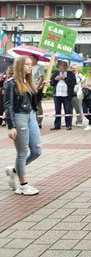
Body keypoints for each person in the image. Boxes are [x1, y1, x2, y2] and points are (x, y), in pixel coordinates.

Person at [4, 57, 42, 195]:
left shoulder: (28, 82)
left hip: (31, 116)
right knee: (22, 152)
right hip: (19, 117)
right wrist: (11, 126)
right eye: (27, 64)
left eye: (31, 65)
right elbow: (8, 105)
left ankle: (14, 170)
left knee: (37, 150)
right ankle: (23, 185)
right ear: (19, 66)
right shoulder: (11, 83)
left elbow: (34, 102)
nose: (30, 67)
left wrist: (42, 89)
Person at [50, 60, 76, 130]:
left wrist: (65, 78)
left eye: (65, 65)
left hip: (67, 95)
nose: (64, 67)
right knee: (57, 110)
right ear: (60, 66)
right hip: (57, 95)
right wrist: (55, 79)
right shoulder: (56, 73)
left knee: (68, 110)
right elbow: (51, 83)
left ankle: (68, 125)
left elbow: (73, 83)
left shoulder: (70, 74)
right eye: (62, 65)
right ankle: (57, 125)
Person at [30, 54, 44, 128]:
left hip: (36, 88)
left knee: (37, 104)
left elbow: (41, 78)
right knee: (30, 104)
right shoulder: (29, 67)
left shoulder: (39, 67)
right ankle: (32, 120)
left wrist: (37, 87)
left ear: (35, 59)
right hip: (29, 88)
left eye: (31, 58)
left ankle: (39, 121)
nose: (30, 59)